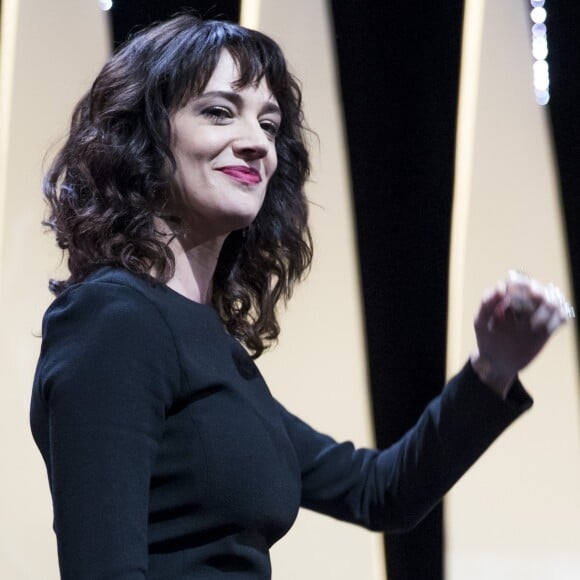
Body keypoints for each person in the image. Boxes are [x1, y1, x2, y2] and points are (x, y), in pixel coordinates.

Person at [30, 14, 573, 580]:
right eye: (219, 112)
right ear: (143, 139)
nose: (256, 144)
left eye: (269, 124)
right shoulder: (113, 320)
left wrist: (494, 368)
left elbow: (380, 492)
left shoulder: (207, 344)